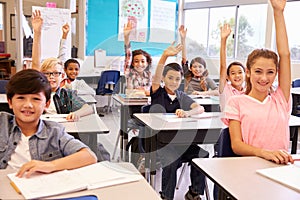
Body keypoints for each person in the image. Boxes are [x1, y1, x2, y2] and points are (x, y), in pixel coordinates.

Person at [223, 0, 294, 164]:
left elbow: (285, 55)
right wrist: (264, 153)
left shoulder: (280, 99)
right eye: (258, 72)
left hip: (280, 168)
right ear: (248, 72)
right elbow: (237, 145)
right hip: (249, 167)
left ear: (277, 74)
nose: (264, 78)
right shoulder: (236, 102)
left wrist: (278, 13)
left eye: (270, 72)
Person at [0, 69, 97, 177]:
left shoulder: (55, 132)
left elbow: (89, 156)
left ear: (46, 104)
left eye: (36, 99)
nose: (28, 105)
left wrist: (51, 166)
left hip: (39, 188)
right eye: (21, 98)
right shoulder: (2, 124)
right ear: (10, 102)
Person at [151, 43, 209, 200]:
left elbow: (200, 108)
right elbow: (156, 78)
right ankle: (166, 196)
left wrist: (188, 112)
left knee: (202, 155)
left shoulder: (181, 96)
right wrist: (164, 56)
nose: (173, 82)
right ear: (163, 78)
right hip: (161, 144)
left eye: (177, 79)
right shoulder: (158, 93)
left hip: (182, 143)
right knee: (171, 161)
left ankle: (194, 192)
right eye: (170, 78)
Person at [41, 57, 94, 122]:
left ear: (62, 76)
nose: (51, 77)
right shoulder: (37, 94)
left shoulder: (68, 94)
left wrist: (76, 114)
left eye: (56, 73)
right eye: (47, 73)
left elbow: (88, 108)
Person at [179, 25, 218, 96]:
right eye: (194, 67)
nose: (197, 69)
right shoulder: (187, 75)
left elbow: (218, 92)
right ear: (190, 68)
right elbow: (184, 59)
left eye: (200, 67)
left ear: (204, 68)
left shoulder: (207, 80)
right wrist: (183, 39)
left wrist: (201, 93)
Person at [219, 23, 246, 112]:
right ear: (228, 77)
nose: (237, 75)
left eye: (240, 72)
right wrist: (223, 40)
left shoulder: (248, 91)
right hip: (227, 125)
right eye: (233, 73)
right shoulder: (225, 89)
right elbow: (223, 67)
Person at [124, 20, 152, 96]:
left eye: (143, 61)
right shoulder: (129, 73)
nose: (140, 64)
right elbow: (128, 55)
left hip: (147, 104)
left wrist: (147, 92)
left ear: (147, 63)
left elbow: (154, 92)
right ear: (132, 63)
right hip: (132, 104)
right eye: (136, 61)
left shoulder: (149, 75)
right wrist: (126, 37)